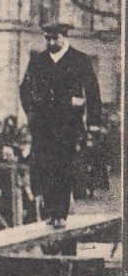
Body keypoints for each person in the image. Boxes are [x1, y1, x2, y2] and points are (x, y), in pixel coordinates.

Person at [19, 21, 102, 227]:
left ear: (65, 37)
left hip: (69, 126)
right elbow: (24, 89)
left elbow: (92, 92)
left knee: (64, 167)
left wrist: (94, 123)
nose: (51, 42)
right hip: (44, 126)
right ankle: (49, 211)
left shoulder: (79, 60)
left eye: (55, 38)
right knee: (45, 166)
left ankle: (61, 214)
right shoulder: (38, 61)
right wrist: (32, 113)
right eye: (48, 38)